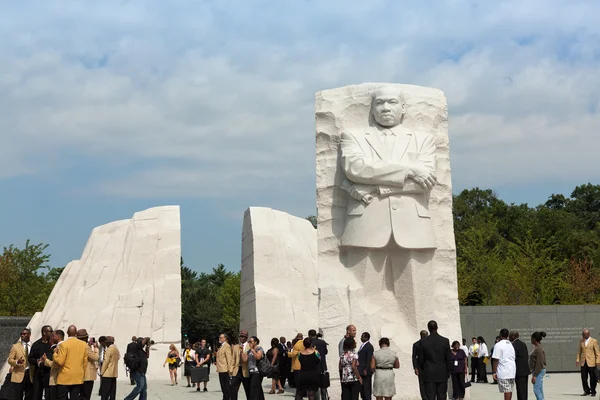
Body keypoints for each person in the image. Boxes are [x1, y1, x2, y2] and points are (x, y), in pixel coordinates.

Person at [418, 320, 451, 400]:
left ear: (428, 329)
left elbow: (421, 360)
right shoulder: (445, 341)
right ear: (437, 327)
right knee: (442, 397)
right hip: (442, 373)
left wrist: (422, 371)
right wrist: (448, 372)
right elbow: (448, 359)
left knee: (430, 397)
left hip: (429, 373)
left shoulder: (423, 342)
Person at [53, 325, 89, 400]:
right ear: (76, 333)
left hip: (65, 377)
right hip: (78, 376)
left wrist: (55, 354)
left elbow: (60, 361)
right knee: (75, 397)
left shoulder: (64, 344)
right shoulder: (83, 344)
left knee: (62, 397)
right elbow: (85, 362)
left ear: (67, 333)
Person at [7, 328, 33, 400]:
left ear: (29, 335)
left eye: (24, 334)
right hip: (18, 374)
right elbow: (10, 360)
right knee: (17, 396)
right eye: (21, 334)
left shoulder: (33, 345)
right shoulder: (15, 346)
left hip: (30, 374)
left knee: (29, 395)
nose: (22, 335)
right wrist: (17, 362)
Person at [29, 325, 53, 400]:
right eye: (50, 331)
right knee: (36, 394)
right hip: (38, 373)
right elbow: (30, 358)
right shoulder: (36, 344)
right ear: (44, 332)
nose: (52, 333)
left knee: (49, 395)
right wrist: (37, 361)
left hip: (49, 373)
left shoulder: (52, 345)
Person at [491, 329, 516, 400]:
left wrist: (494, 372)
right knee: (509, 389)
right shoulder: (510, 344)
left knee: (507, 390)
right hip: (512, 370)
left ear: (500, 334)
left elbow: (495, 359)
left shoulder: (498, 345)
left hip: (504, 371)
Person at [576, 329, 600, 397]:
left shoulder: (594, 341)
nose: (583, 335)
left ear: (588, 334)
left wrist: (598, 361)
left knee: (592, 378)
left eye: (584, 334)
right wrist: (578, 359)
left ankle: (593, 391)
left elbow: (597, 352)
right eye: (582, 334)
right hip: (583, 362)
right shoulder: (581, 341)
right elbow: (579, 351)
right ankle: (586, 390)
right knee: (583, 378)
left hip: (591, 362)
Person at [78, 330, 99, 400]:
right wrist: (96, 348)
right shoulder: (86, 347)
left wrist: (89, 345)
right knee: (86, 396)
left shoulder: (78, 346)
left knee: (81, 395)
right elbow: (95, 357)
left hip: (80, 374)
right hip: (87, 376)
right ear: (85, 338)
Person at [309, 330, 329, 400]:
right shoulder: (322, 342)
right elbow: (326, 352)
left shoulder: (310, 343)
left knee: (315, 386)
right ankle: (324, 398)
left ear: (310, 335)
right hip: (323, 365)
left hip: (314, 366)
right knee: (323, 385)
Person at [509, 331, 529, 400]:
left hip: (518, 371)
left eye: (509, 336)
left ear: (512, 336)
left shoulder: (513, 345)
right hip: (525, 370)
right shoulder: (523, 344)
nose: (509, 338)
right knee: (524, 390)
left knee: (520, 391)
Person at [216, 333, 234, 400]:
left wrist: (230, 370)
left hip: (225, 370)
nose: (219, 339)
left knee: (226, 388)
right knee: (223, 387)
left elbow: (229, 359)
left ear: (225, 339)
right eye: (219, 337)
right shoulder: (221, 346)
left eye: (221, 337)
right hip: (220, 369)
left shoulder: (227, 346)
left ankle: (227, 398)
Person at [529, 332, 546, 400]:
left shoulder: (539, 349)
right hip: (538, 370)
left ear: (534, 339)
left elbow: (539, 362)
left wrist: (535, 375)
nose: (531, 340)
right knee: (539, 389)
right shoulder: (537, 347)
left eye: (531, 338)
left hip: (539, 371)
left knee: (536, 390)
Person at [412, 330, 428, 400]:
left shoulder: (430, 344)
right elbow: (414, 357)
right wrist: (415, 367)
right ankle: (424, 397)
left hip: (429, 366)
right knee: (422, 383)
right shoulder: (416, 344)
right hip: (421, 366)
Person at [358, 332, 374, 400]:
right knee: (363, 390)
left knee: (367, 390)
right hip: (360, 370)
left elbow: (369, 358)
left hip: (365, 371)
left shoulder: (369, 346)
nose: (361, 338)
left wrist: (366, 369)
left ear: (366, 337)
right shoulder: (363, 346)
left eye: (362, 336)